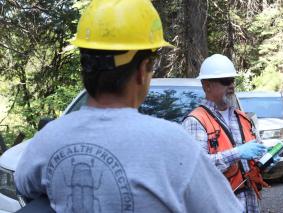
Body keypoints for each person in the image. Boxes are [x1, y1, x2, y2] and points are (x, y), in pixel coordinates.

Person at [14, 1, 244, 212]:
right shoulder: (174, 145)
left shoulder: (49, 138)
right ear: (143, 70)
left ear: (85, 66)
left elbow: (25, 187)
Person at [182, 54, 268, 213]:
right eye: (225, 81)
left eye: (233, 80)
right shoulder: (196, 121)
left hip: (251, 204)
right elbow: (197, 167)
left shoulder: (242, 117)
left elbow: (252, 160)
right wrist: (237, 153)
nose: (232, 86)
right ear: (207, 85)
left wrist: (266, 159)